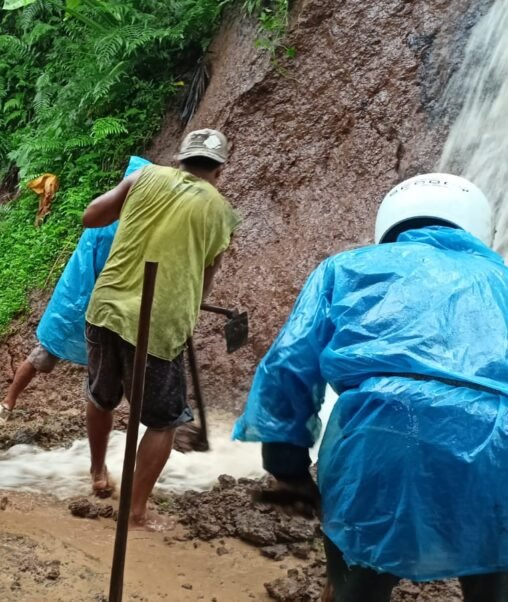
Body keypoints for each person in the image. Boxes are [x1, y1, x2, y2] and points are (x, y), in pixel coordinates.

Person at [234, 173, 508, 601]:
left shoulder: (345, 268)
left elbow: (289, 364)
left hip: (381, 436)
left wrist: (286, 464)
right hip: (499, 445)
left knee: (358, 583)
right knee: (495, 577)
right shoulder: (502, 279)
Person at [81, 129, 240, 530]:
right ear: (219, 170)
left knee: (101, 396)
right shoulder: (221, 212)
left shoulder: (145, 176)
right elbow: (205, 281)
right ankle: (134, 510)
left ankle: (98, 472)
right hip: (159, 322)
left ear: (179, 159)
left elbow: (91, 216)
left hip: (106, 307)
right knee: (163, 421)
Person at [0, 156, 151, 426]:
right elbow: (88, 267)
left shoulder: (136, 224)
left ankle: (137, 425)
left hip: (107, 306)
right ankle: (7, 403)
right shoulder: (109, 223)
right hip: (77, 299)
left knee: (113, 369)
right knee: (44, 354)